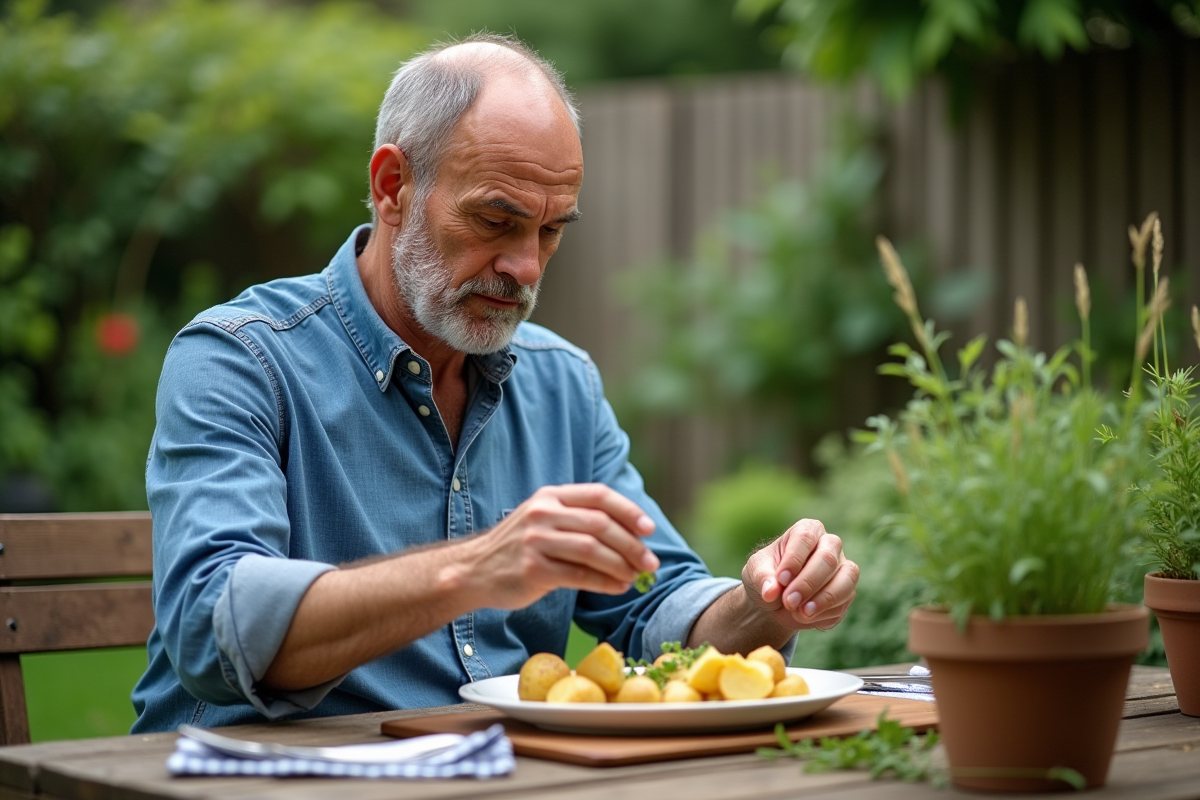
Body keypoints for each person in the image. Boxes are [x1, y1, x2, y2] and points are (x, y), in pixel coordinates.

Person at [131, 33, 859, 732]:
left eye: (550, 231)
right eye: (495, 219)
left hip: (496, 774)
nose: (527, 267)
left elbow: (652, 609)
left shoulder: (561, 384)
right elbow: (210, 622)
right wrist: (477, 567)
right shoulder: (241, 359)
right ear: (393, 187)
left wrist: (767, 601)